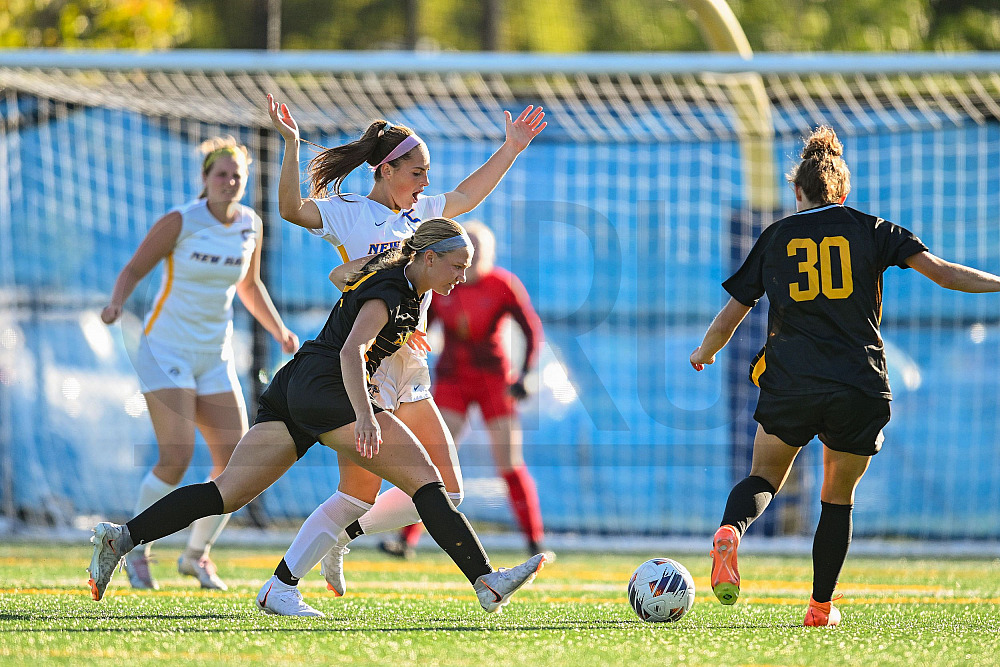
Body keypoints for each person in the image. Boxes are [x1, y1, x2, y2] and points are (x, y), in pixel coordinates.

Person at [87, 218, 546, 618]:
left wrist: (398, 331)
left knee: (225, 493)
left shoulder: (400, 282)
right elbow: (352, 350)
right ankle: (486, 581)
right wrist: (366, 415)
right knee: (429, 483)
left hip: (295, 387)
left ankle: (124, 538)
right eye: (457, 265)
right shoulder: (395, 290)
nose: (463, 276)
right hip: (329, 388)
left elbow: (344, 285)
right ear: (428, 258)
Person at [689, 125, 1000, 627]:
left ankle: (730, 530)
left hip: (791, 382)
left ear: (798, 192)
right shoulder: (873, 228)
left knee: (763, 477)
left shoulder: (775, 237)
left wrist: (705, 350)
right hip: (859, 383)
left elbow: (734, 311)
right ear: (843, 191)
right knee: (837, 497)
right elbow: (944, 273)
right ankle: (819, 608)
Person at [255, 94, 546, 609]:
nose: (426, 182)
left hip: (411, 366)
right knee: (363, 494)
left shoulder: (423, 213)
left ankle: (334, 543)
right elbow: (289, 210)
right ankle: (286, 582)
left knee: (446, 491)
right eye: (417, 171)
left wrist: (512, 149)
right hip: (365, 365)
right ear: (386, 170)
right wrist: (292, 147)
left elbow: (466, 196)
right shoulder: (349, 213)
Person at [100, 137, 299, 591]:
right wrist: (116, 304)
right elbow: (134, 269)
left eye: (237, 177)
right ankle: (135, 551)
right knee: (176, 457)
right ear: (205, 179)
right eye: (221, 174)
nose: (229, 182)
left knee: (236, 464)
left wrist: (279, 330)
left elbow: (249, 287)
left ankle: (196, 556)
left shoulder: (251, 223)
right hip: (164, 350)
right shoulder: (180, 221)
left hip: (214, 354)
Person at [380, 221, 548, 560]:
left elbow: (531, 329)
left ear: (486, 255)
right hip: (453, 378)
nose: (465, 266)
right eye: (460, 257)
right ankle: (405, 539)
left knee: (509, 461)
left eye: (475, 253)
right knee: (432, 457)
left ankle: (535, 542)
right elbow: (419, 325)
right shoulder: (441, 286)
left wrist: (527, 374)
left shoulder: (502, 284)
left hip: (493, 380)